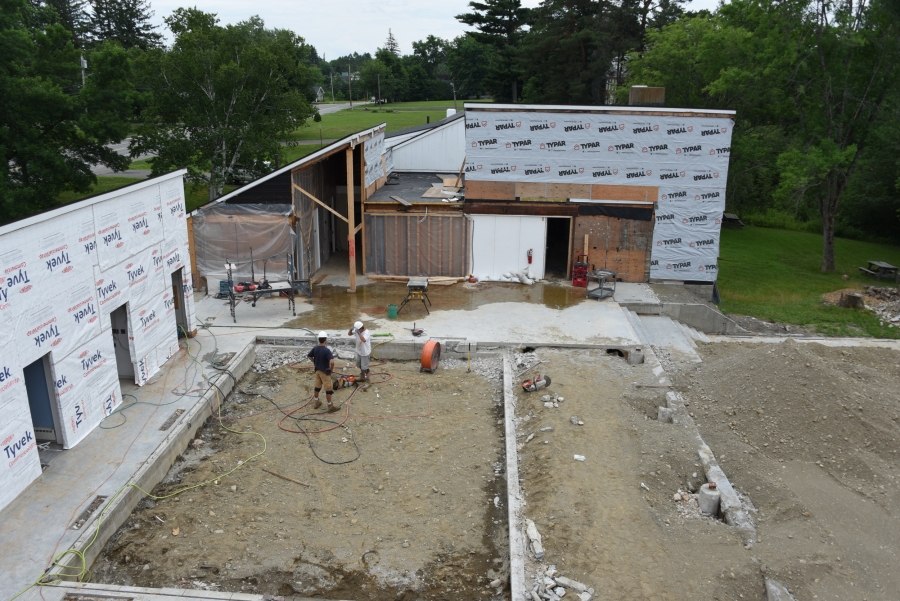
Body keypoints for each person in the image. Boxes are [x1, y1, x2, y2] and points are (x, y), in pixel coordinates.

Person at [307, 331, 337, 412]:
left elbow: (309, 356)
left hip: (317, 371)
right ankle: (330, 406)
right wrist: (331, 369)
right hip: (325, 372)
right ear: (325, 340)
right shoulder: (327, 350)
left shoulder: (315, 348)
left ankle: (316, 402)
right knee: (328, 389)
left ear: (319, 339)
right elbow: (332, 362)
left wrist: (315, 362)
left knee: (317, 388)